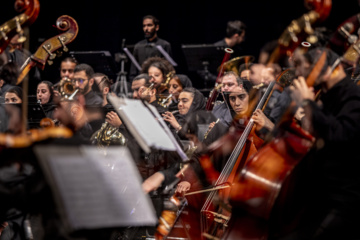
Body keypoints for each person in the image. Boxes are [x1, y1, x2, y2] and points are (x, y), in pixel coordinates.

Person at [272, 47, 360, 239]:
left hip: (345, 202)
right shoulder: (328, 95)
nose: (303, 76)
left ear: (329, 69)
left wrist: (308, 104)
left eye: (309, 70)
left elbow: (340, 135)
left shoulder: (353, 96)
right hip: (322, 196)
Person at [129, 15, 173, 82]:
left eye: (149, 25)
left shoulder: (164, 45)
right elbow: (133, 70)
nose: (146, 28)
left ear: (157, 27)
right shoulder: (138, 46)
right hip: (142, 83)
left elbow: (169, 69)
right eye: (144, 26)